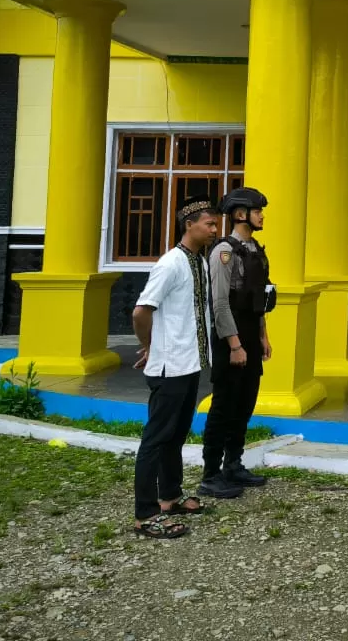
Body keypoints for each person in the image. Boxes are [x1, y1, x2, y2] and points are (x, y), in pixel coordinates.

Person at [130, 196, 219, 538]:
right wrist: (150, 346)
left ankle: (169, 496)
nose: (214, 230)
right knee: (156, 439)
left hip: (190, 363)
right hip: (169, 366)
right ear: (189, 225)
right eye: (209, 224)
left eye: (215, 224)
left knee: (176, 436)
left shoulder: (199, 262)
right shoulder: (170, 264)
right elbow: (142, 311)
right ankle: (145, 514)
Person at [199, 186, 275, 498]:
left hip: (249, 336)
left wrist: (262, 336)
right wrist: (235, 345)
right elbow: (219, 304)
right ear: (241, 214)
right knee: (224, 405)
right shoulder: (224, 252)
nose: (261, 215)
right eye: (257, 210)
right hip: (230, 339)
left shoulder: (255, 249)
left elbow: (259, 297)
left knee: (245, 403)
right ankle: (210, 473)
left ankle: (234, 463)